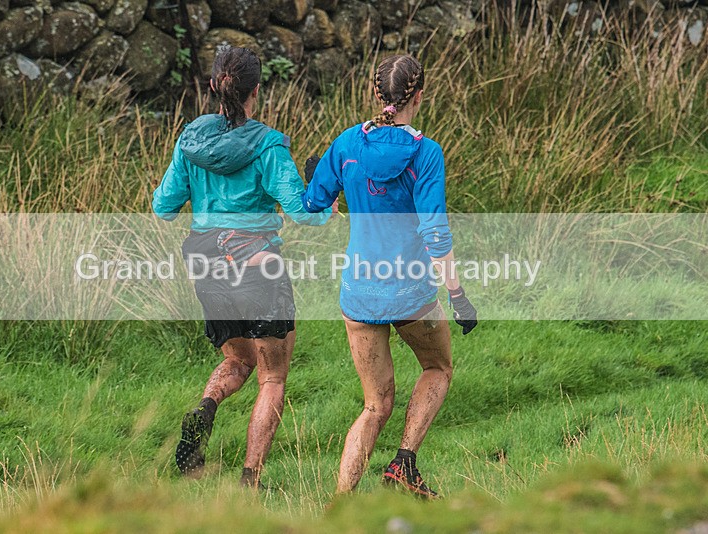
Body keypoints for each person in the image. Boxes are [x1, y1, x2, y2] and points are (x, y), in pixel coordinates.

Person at [152, 47, 333, 489]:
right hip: (256, 265)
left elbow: (163, 208)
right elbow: (306, 213)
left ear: (214, 86)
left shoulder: (191, 142)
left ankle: (206, 407)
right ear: (256, 91)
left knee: (237, 358)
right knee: (272, 374)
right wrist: (321, 186)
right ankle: (250, 480)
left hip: (206, 264)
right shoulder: (268, 146)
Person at [301, 54, 478, 498]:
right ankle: (404, 462)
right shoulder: (425, 152)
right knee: (437, 366)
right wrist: (458, 295)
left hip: (359, 294)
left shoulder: (346, 144)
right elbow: (435, 230)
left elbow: (312, 203)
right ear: (419, 96)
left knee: (374, 405)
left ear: (375, 96)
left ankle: (340, 508)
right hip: (411, 292)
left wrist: (317, 180)